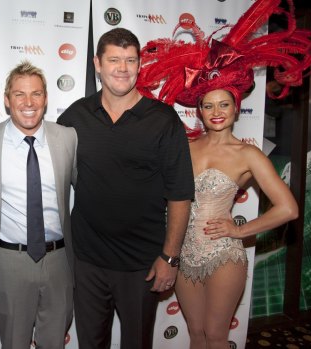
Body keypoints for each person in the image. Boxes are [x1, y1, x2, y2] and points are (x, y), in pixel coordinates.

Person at [136, 1, 311, 347]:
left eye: (223, 105)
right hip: (184, 253)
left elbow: (288, 209)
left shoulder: (247, 153)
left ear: (236, 108)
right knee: (196, 334)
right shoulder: (184, 148)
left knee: (218, 336)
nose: (216, 112)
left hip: (224, 254)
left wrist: (241, 229)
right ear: (199, 111)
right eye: (208, 105)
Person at [57, 28, 194, 349]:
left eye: (130, 60)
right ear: (97, 64)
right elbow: (45, 166)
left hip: (143, 264)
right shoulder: (76, 116)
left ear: (139, 64)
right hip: (87, 261)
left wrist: (170, 258)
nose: (122, 68)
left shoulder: (163, 119)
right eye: (114, 60)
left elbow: (180, 194)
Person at [0, 61, 77, 349]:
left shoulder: (67, 138)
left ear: (45, 98)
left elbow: (87, 192)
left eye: (37, 94)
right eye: (19, 94)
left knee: (54, 342)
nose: (28, 103)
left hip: (59, 260)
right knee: (14, 342)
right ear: (7, 100)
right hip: (9, 262)